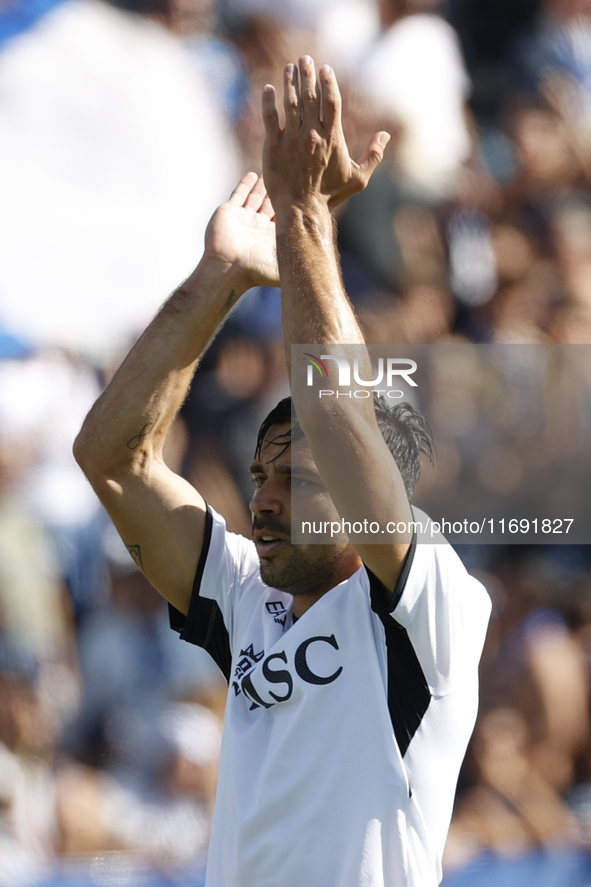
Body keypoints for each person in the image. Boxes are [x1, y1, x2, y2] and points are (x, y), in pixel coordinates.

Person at [74, 57, 491, 887]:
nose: (262, 497)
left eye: (295, 476)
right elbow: (112, 459)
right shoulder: (245, 600)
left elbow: (337, 413)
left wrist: (303, 208)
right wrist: (222, 274)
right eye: (261, 472)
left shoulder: (425, 610)